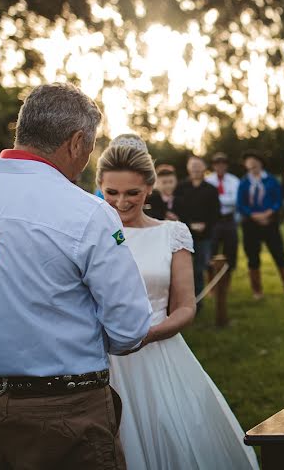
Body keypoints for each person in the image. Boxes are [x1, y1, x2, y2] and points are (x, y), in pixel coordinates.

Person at [0, 83, 152, 469]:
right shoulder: (88, 214)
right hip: (69, 410)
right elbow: (129, 329)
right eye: (90, 149)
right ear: (76, 142)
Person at [98, 142, 259, 470]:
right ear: (99, 187)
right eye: (111, 192)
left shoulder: (171, 233)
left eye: (132, 193)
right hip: (99, 360)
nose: (121, 202)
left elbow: (186, 306)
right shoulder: (91, 233)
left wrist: (147, 335)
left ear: (149, 188)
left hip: (157, 351)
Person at [237, 150, 284, 298]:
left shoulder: (271, 180)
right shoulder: (244, 182)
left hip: (270, 223)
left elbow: (278, 200)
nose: (252, 165)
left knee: (280, 255)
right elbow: (240, 204)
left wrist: (268, 213)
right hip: (251, 224)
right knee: (253, 257)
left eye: (254, 162)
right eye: (249, 163)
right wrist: (253, 215)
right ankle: (257, 290)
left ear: (260, 163)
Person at [174, 156, 221, 300]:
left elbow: (216, 212)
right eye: (192, 166)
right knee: (181, 269)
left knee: (199, 269)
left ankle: (198, 300)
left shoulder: (211, 189)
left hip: (204, 235)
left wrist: (204, 225)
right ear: (188, 168)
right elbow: (176, 209)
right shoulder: (180, 187)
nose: (195, 169)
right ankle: (181, 299)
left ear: (204, 168)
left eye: (198, 166)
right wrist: (189, 224)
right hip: (182, 234)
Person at [205, 152, 241, 327]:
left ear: (226, 165)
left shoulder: (234, 181)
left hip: (229, 221)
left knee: (230, 252)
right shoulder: (209, 181)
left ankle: (226, 285)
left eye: (223, 163)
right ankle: (211, 286)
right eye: (216, 163)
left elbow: (235, 201)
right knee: (210, 253)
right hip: (214, 220)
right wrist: (222, 201)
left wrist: (220, 201)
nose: (220, 166)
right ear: (213, 165)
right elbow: (210, 201)